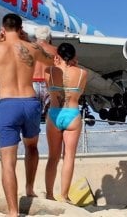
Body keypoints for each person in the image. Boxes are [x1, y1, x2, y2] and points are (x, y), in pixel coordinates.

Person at [0, 13, 54, 217]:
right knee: (32, 147)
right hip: (30, 102)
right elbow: (51, 61)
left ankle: (13, 212)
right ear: (20, 28)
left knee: (7, 163)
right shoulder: (32, 48)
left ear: (3, 28)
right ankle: (29, 188)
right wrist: (27, 41)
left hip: (8, 104)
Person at [44, 42, 88, 203]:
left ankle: (49, 194)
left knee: (52, 158)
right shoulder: (83, 73)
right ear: (74, 56)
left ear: (58, 56)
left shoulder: (49, 71)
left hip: (55, 113)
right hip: (72, 113)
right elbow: (81, 91)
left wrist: (55, 65)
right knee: (69, 157)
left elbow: (48, 88)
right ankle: (63, 195)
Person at [32, 26, 58, 121]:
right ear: (49, 36)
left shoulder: (29, 48)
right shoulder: (55, 50)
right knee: (50, 119)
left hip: (32, 84)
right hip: (48, 84)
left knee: (32, 119)